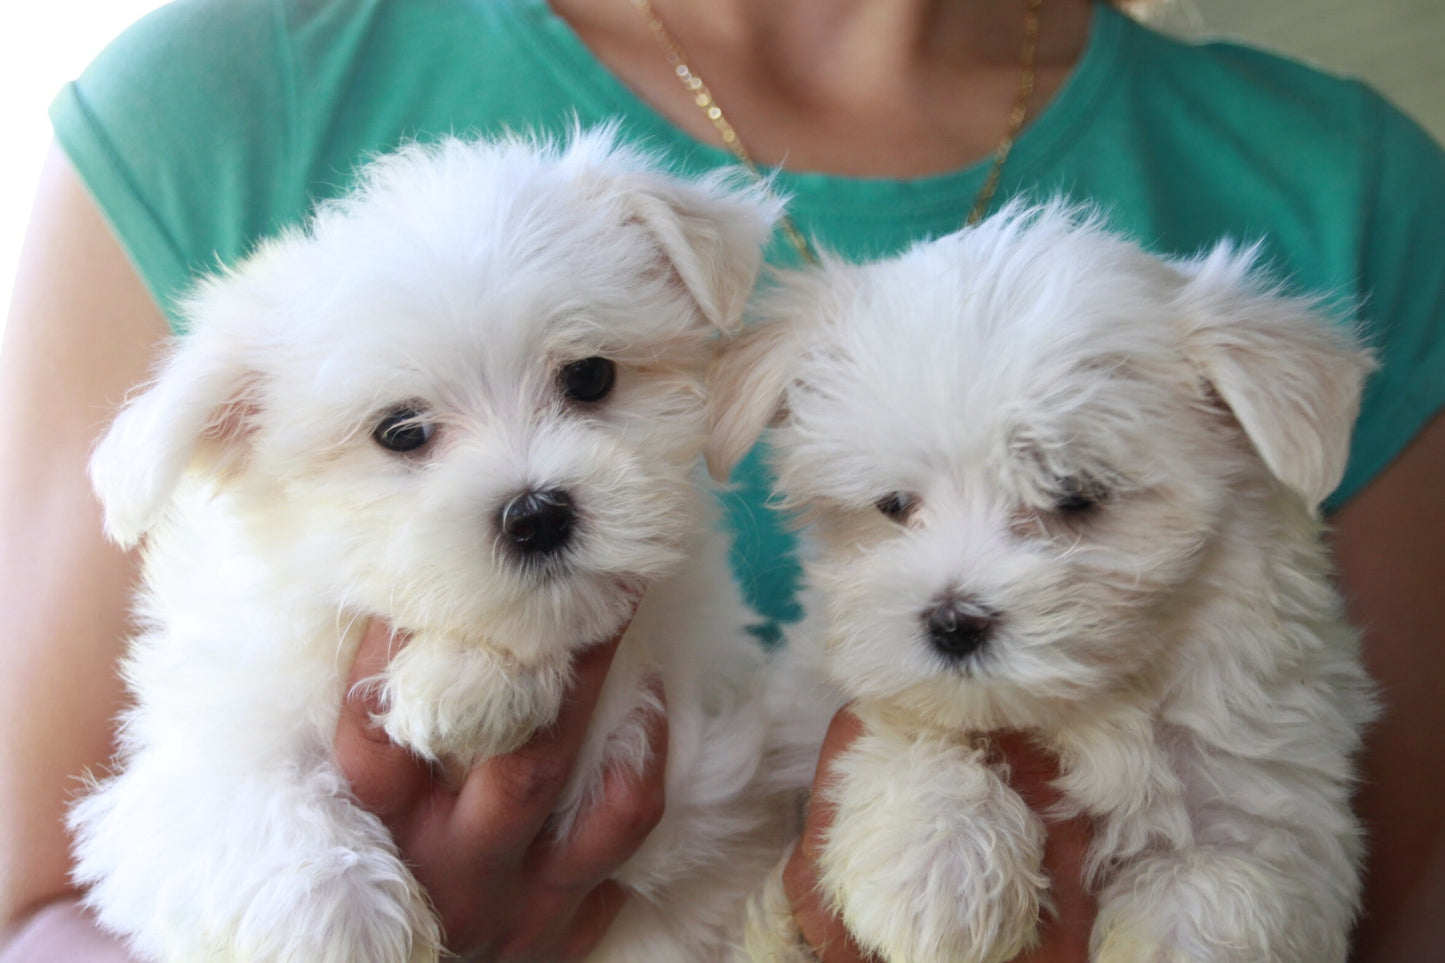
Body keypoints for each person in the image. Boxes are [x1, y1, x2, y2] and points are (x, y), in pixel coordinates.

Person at [1, 0, 1441, 960]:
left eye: (586, 383)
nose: (530, 480)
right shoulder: (227, 94)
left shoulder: (1349, 187)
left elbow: (1381, 895)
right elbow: (35, 906)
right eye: (406, 434)